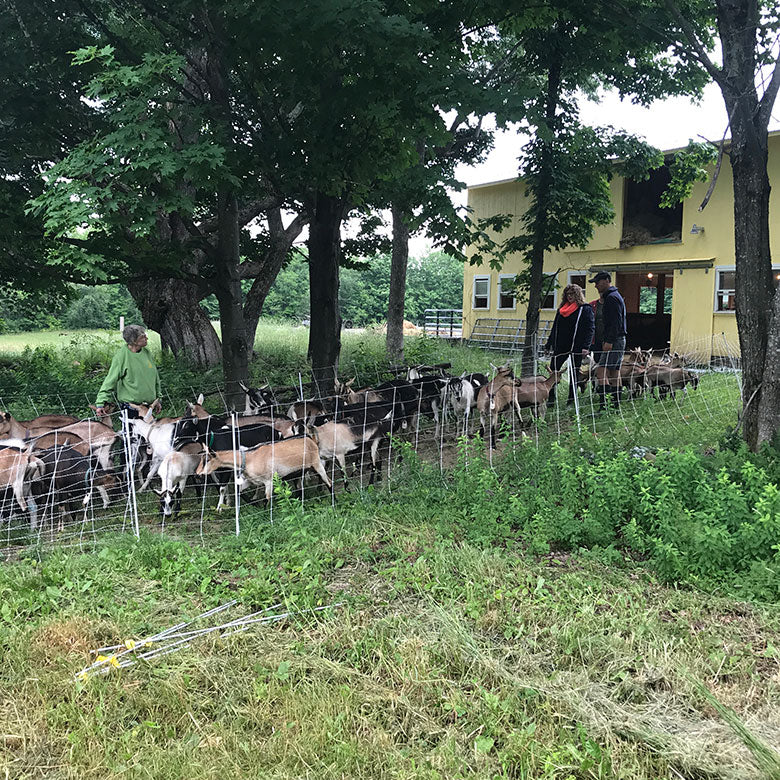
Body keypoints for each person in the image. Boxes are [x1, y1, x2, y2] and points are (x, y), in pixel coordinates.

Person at [94, 325, 162, 422]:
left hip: (149, 406)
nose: (146, 338)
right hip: (131, 408)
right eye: (143, 337)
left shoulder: (147, 353)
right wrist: (100, 403)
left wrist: (158, 399)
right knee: (132, 436)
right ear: (134, 341)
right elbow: (110, 381)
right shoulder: (121, 357)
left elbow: (155, 377)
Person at [545, 284, 595, 407]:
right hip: (560, 346)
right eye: (567, 294)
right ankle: (551, 398)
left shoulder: (584, 309)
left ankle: (571, 400)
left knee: (574, 373)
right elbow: (555, 328)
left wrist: (586, 346)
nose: (570, 296)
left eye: (572, 294)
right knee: (553, 371)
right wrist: (549, 344)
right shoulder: (562, 309)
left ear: (577, 294)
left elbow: (590, 328)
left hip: (576, 347)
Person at [589, 271, 627, 409]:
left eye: (597, 282)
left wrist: (609, 341)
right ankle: (615, 405)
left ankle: (604, 405)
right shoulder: (615, 296)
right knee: (614, 372)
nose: (596, 286)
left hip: (614, 339)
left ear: (606, 280)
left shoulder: (611, 298)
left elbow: (615, 322)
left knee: (601, 371)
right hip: (619, 339)